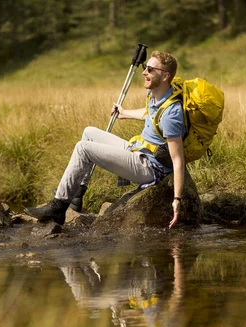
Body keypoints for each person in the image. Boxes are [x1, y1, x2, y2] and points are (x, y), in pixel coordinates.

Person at [24, 50, 185, 228]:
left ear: (165, 76)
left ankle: (58, 207)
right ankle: (76, 194)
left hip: (150, 167)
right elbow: (150, 114)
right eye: (145, 67)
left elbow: (177, 160)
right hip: (139, 150)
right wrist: (125, 113)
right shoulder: (156, 95)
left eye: (150, 69)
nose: (144, 72)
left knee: (83, 148)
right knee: (89, 132)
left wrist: (176, 199)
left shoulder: (172, 113)